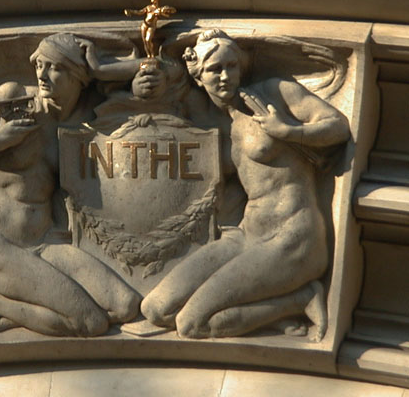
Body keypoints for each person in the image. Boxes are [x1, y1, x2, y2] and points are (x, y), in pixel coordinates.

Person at [141, 29, 350, 341]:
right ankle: (284, 304)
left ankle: (297, 300)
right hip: (247, 234)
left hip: (292, 237)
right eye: (214, 70)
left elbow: (338, 126)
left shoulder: (272, 92)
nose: (225, 76)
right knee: (155, 309)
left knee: (191, 324)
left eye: (231, 66)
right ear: (199, 78)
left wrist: (289, 131)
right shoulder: (219, 120)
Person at [0, 33, 140, 342]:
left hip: (44, 242)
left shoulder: (82, 123)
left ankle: (24, 310)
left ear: (78, 76)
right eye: (39, 65)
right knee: (92, 324)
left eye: (54, 68)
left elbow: (154, 75)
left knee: (127, 306)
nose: (42, 75)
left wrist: (102, 70)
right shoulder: (12, 97)